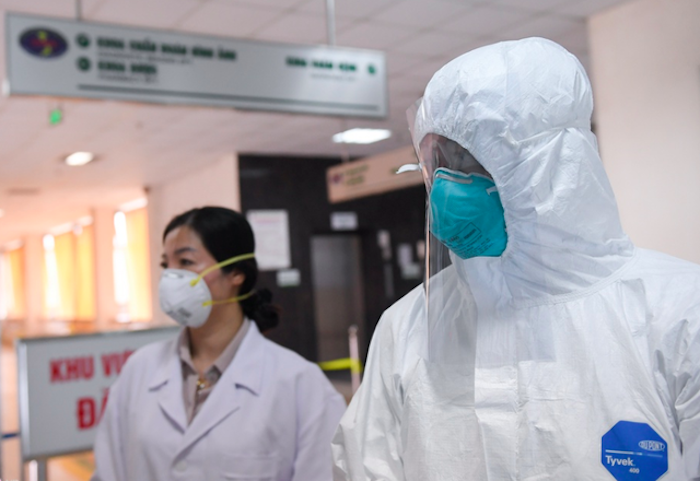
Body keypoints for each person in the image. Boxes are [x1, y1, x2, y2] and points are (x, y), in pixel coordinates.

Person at [332, 38, 700, 480]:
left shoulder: (679, 314)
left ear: (552, 167)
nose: (445, 187)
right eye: (436, 163)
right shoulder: (409, 326)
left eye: (468, 161)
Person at [92, 206, 346, 481]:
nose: (169, 278)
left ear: (236, 272)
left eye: (186, 262)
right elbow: (108, 470)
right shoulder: (140, 369)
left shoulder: (300, 384)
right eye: (166, 265)